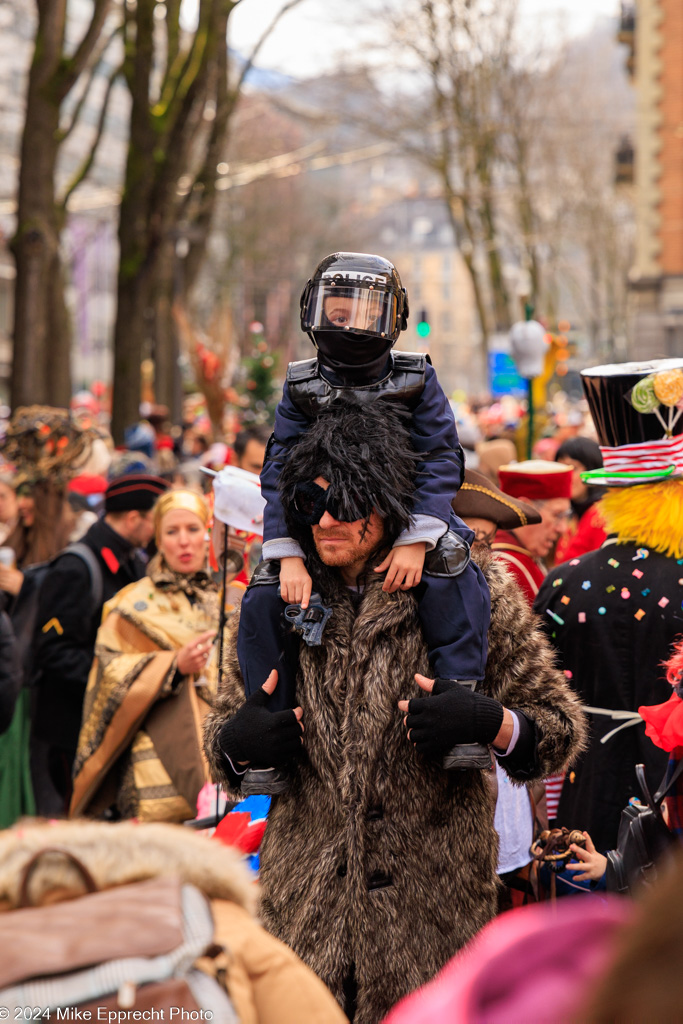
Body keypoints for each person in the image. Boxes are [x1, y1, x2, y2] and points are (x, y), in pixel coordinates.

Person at [204, 401, 586, 1024]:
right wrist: (239, 743)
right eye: (309, 504)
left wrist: (491, 723)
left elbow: (559, 729)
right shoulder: (277, 596)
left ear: (386, 502)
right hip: (304, 924)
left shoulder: (475, 591)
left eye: (346, 504)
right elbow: (222, 736)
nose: (325, 522)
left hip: (431, 930)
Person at [241, 251, 491, 793]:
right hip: (314, 515)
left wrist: (417, 536)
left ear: (392, 318)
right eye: (338, 311)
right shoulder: (301, 383)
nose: (351, 323)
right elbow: (279, 468)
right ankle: (270, 726)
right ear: (314, 311)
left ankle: (458, 702)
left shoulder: (416, 377)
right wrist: (285, 551)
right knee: (263, 587)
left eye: (366, 312)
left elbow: (442, 456)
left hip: (405, 516)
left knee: (452, 562)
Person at [534, 358, 683, 851]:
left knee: (587, 919)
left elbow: (533, 694)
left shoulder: (565, 581)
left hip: (584, 782)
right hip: (672, 790)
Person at [451, 469, 586, 909]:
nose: (481, 551)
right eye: (476, 537)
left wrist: (500, 723)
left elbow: (546, 714)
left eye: (485, 539)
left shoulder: (496, 585)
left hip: (496, 791)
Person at [70, 489, 219, 823]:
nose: (184, 541)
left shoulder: (231, 599)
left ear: (208, 533)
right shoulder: (130, 604)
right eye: (172, 531)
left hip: (224, 755)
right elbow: (107, 674)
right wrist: (172, 666)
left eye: (193, 529)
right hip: (155, 763)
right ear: (158, 539)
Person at [31, 474, 169, 814]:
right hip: (71, 734)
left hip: (112, 728)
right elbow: (52, 651)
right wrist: (117, 678)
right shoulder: (78, 567)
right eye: (156, 520)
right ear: (134, 518)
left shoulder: (133, 562)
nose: (157, 530)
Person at [492, 460, 573, 605]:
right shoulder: (510, 566)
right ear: (525, 510)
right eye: (557, 515)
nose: (563, 528)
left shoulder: (523, 556)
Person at [554, 436, 607, 563]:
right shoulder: (571, 515)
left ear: (592, 469)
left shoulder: (602, 516)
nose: (565, 476)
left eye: (573, 468)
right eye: (561, 469)